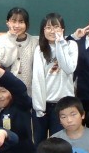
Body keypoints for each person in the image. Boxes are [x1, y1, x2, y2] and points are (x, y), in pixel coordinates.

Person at [31, 13, 78, 144]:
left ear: (62, 29)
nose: (52, 31)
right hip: (43, 104)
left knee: (59, 143)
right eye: (48, 28)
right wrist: (39, 107)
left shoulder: (71, 45)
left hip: (63, 104)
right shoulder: (39, 50)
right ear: (43, 30)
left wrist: (60, 43)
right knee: (39, 143)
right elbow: (37, 79)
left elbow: (69, 68)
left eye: (56, 27)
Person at [0, 7, 39, 96]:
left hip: (28, 89)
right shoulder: (2, 39)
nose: (17, 25)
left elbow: (37, 69)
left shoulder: (34, 42)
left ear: (27, 24)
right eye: (13, 21)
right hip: (7, 90)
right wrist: (12, 37)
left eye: (21, 22)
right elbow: (5, 63)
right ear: (7, 22)